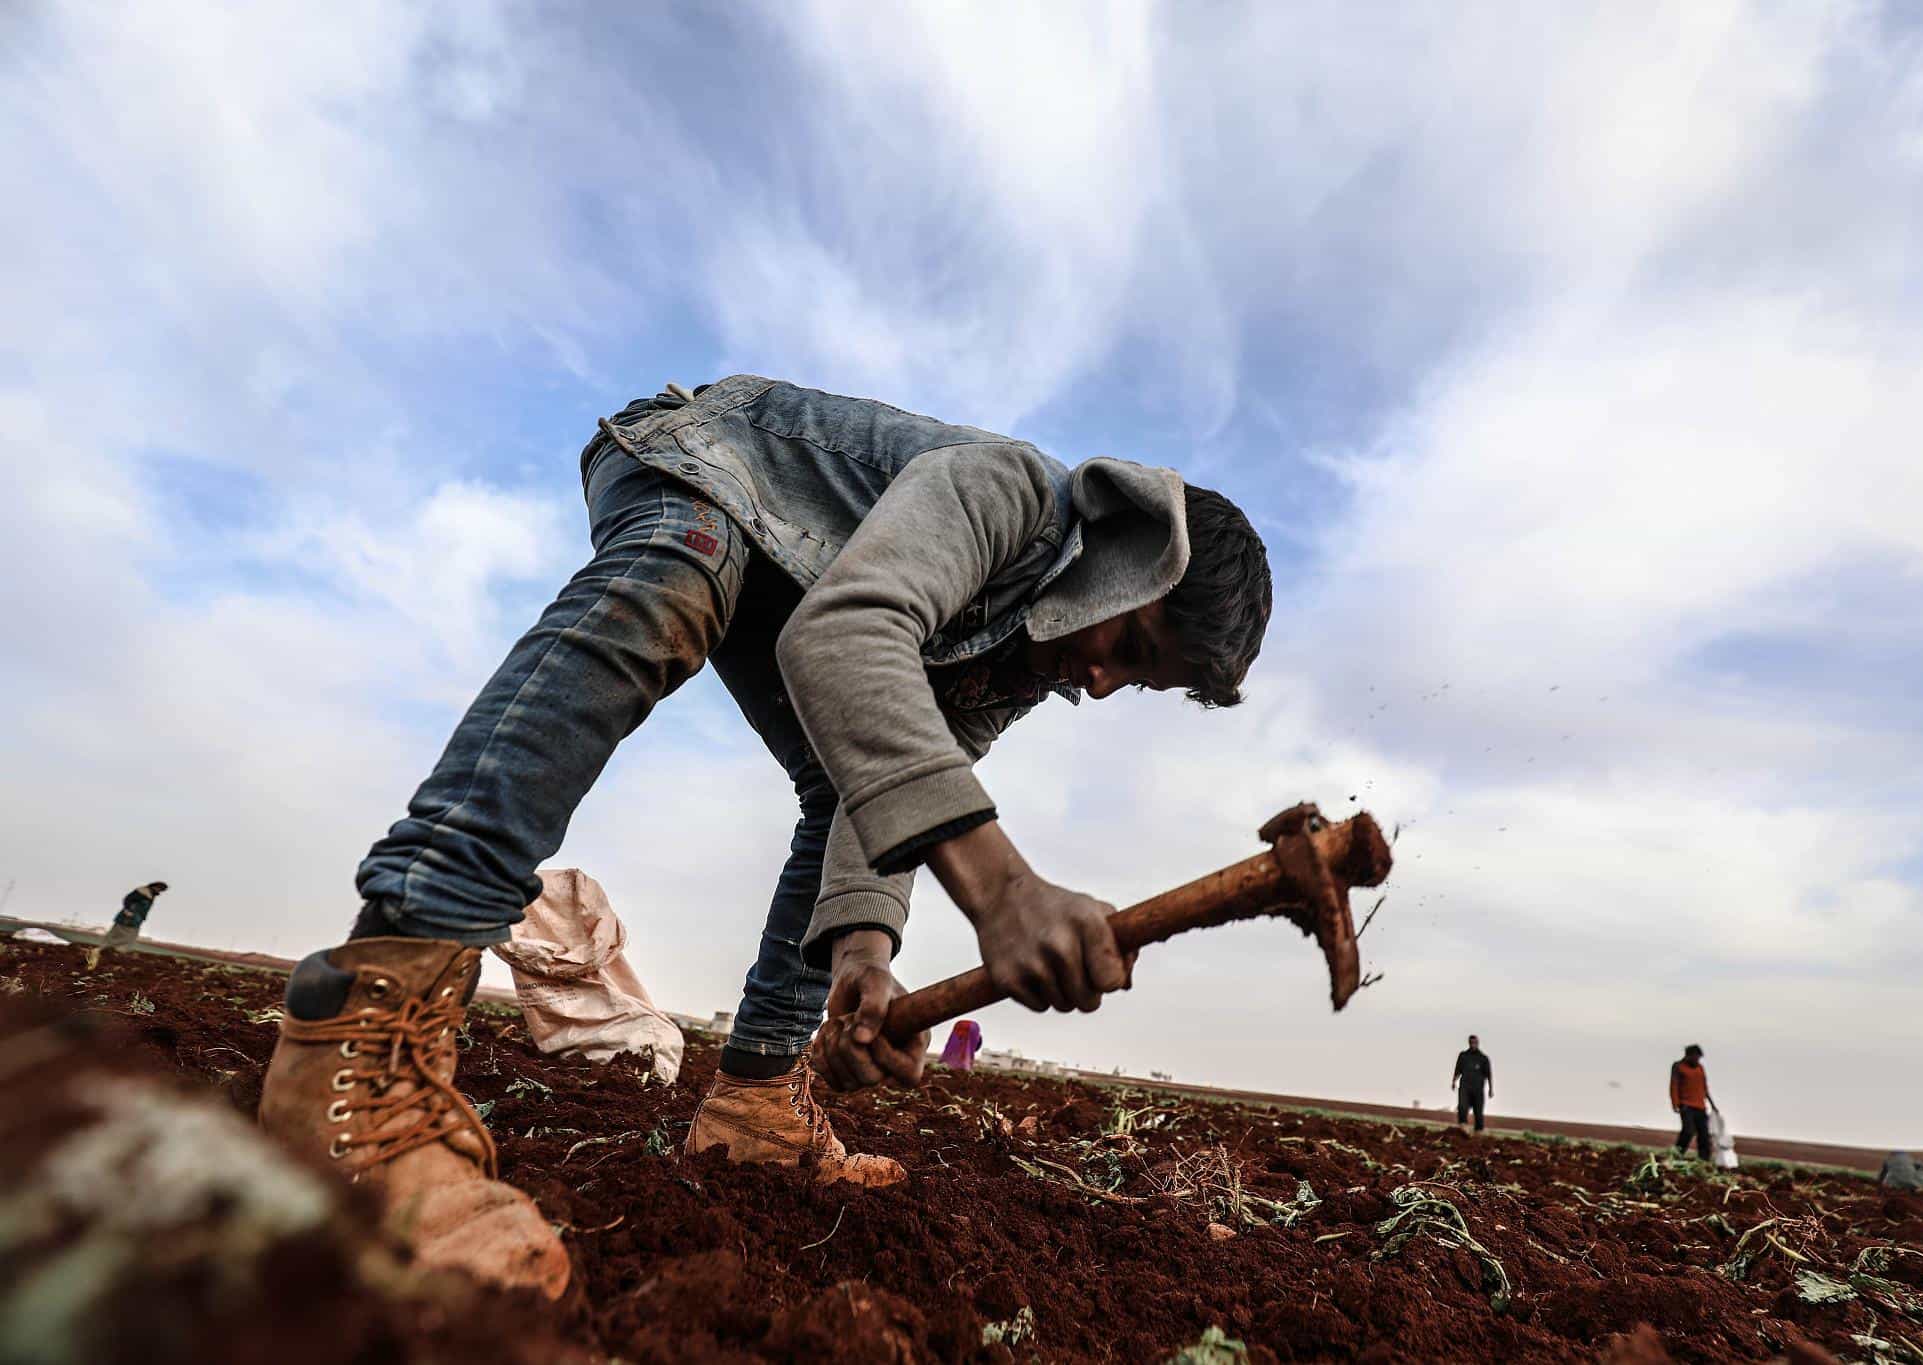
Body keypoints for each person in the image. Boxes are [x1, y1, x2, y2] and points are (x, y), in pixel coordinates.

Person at [253, 376, 1273, 1297]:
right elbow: (845, 633)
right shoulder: (1009, 496)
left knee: (847, 781)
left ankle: (755, 1104)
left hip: (798, 582)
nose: (1100, 683)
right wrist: (1003, 891)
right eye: (1130, 646)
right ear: (1133, 559)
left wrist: (865, 958)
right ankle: (368, 1023)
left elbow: (891, 791)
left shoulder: (1023, 663)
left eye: (1138, 683)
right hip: (706, 462)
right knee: (675, 580)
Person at [85, 881, 167, 970]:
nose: (159, 891)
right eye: (159, 888)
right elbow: (128, 899)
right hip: (127, 918)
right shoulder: (142, 892)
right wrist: (127, 911)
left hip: (135, 920)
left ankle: (109, 952)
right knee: (119, 935)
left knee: (129, 937)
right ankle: (102, 951)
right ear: (154, 886)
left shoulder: (151, 895)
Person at [1670, 1043, 1717, 1159]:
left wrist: (1712, 1105)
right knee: (1688, 1131)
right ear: (1688, 1056)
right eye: (1696, 1057)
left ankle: (1704, 1160)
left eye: (1699, 1058)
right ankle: (1676, 1155)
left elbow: (1704, 1087)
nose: (1697, 1060)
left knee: (1704, 1135)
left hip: (1700, 1106)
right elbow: (1674, 1085)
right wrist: (1675, 1104)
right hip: (1686, 1106)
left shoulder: (1700, 1068)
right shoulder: (1678, 1066)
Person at [1451, 1034, 1492, 1131]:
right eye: (1471, 1042)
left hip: (1478, 1088)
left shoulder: (1483, 1058)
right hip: (1465, 1086)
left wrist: (1491, 1089)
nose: (1473, 1044)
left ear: (1478, 1043)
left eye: (1475, 1043)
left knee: (1478, 1111)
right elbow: (1457, 1070)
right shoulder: (1463, 1056)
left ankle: (1478, 1131)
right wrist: (1453, 1081)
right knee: (1462, 1106)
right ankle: (1463, 1125)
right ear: (1469, 1043)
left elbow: (1489, 1075)